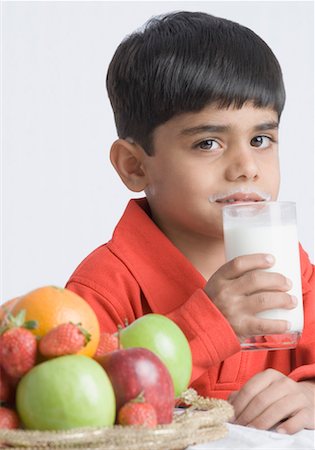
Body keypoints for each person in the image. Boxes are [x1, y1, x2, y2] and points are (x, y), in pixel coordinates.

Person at [66, 11, 315, 434]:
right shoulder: (103, 289)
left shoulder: (288, 264)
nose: (246, 167)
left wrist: (310, 394)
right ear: (134, 166)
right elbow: (82, 412)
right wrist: (207, 325)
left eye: (261, 139)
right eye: (208, 143)